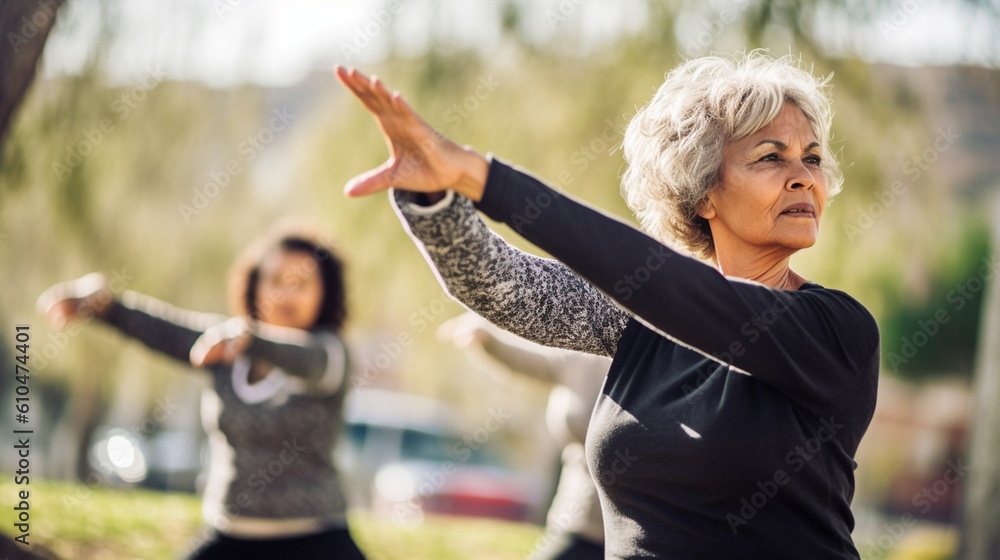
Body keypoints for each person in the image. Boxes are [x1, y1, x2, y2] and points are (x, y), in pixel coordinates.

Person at [333, 49, 881, 559]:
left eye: (812, 158)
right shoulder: (645, 318)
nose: (804, 178)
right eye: (771, 157)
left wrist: (482, 176)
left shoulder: (836, 331)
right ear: (703, 194)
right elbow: (506, 287)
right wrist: (435, 194)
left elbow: (664, 286)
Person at [37, 225, 367, 560]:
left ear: (325, 294)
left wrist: (248, 338)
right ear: (255, 286)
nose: (284, 294)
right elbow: (166, 330)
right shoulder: (226, 348)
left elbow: (308, 361)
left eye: (301, 284)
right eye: (275, 280)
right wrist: (105, 306)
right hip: (231, 537)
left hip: (316, 541)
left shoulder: (331, 354)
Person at [439, 312, 608, 560]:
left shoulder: (664, 358)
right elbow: (533, 361)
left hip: (646, 538)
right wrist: (487, 339)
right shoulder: (585, 351)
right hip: (577, 524)